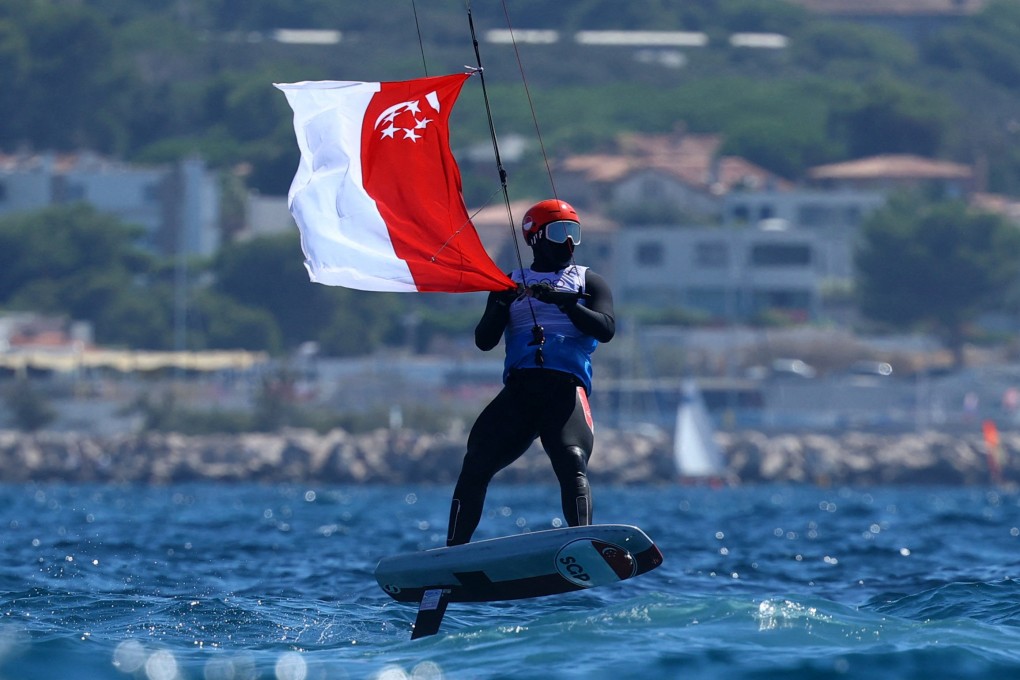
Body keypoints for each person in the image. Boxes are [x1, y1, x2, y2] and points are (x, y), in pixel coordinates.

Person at [446, 199, 615, 546]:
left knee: (571, 462)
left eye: (574, 232)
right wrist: (503, 304)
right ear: (535, 238)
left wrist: (567, 303)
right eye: (559, 232)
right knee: (475, 462)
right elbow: (484, 340)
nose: (568, 242)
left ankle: (582, 543)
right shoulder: (507, 284)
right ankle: (453, 552)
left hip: (565, 393)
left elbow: (606, 329)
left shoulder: (589, 282)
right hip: (521, 393)